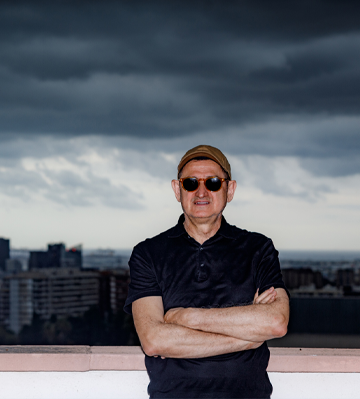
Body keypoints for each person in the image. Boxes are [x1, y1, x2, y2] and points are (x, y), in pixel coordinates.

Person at [124, 145, 289, 399]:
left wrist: (187, 318)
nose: (201, 192)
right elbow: (154, 340)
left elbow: (275, 321)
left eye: (212, 182)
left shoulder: (258, 249)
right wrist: (247, 338)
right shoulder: (148, 254)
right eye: (191, 183)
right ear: (177, 190)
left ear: (229, 190)